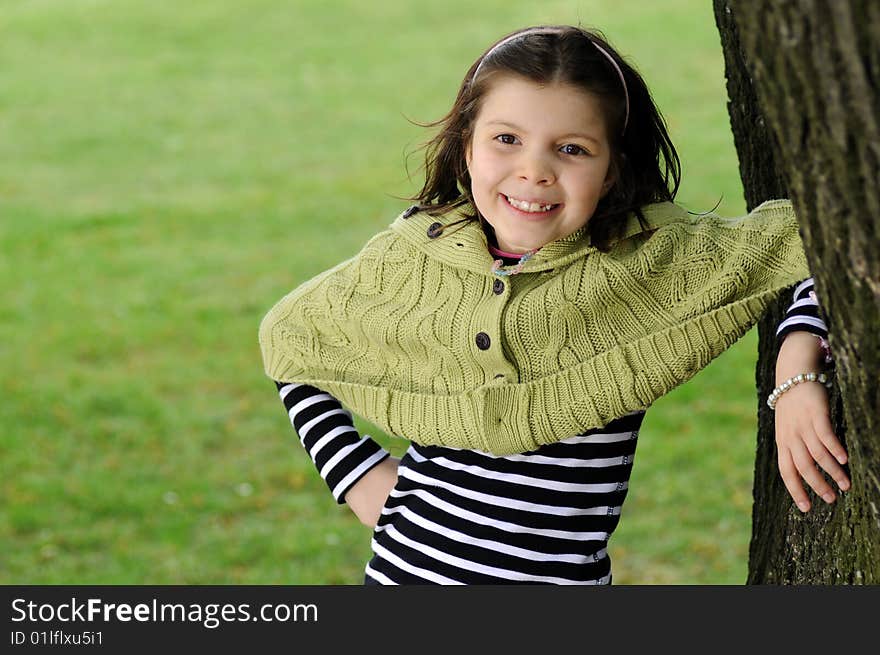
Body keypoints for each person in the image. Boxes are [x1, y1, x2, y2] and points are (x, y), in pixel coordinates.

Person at [259, 25, 849, 584]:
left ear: (613, 169)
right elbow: (292, 341)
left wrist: (795, 364)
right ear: (467, 146)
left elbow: (830, 238)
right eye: (507, 139)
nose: (535, 171)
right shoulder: (418, 258)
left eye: (571, 148)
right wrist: (358, 476)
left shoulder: (647, 263)